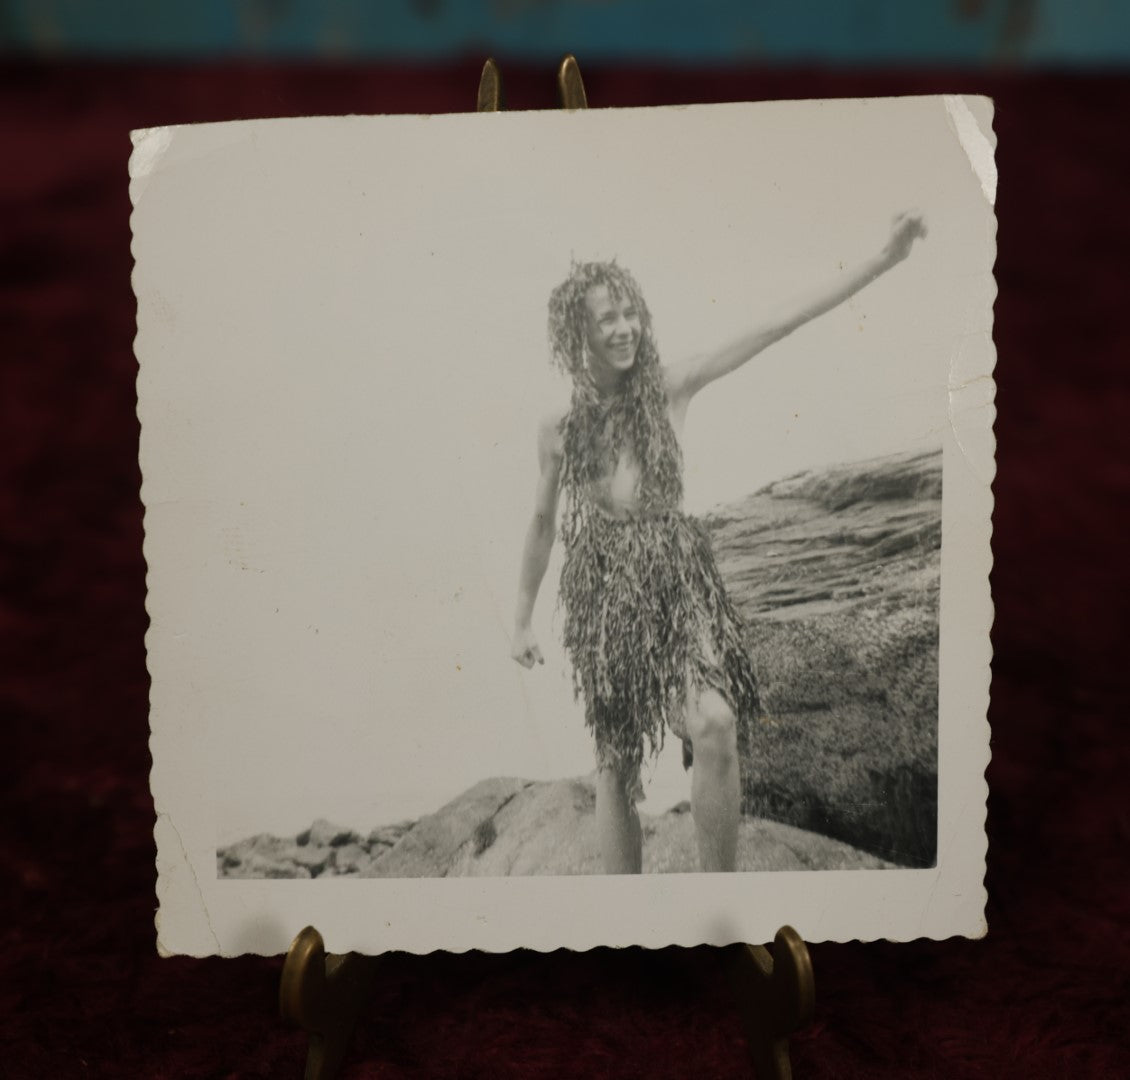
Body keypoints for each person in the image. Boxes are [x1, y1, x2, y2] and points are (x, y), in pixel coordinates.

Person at [511, 213, 927, 874]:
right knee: (616, 765)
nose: (623, 329)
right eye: (605, 320)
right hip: (604, 595)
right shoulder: (559, 428)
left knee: (713, 724)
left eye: (630, 314)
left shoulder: (672, 388)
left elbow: (771, 325)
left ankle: (717, 895)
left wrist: (883, 259)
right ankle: (622, 922)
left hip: (677, 581)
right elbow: (540, 522)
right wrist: (521, 619)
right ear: (577, 334)